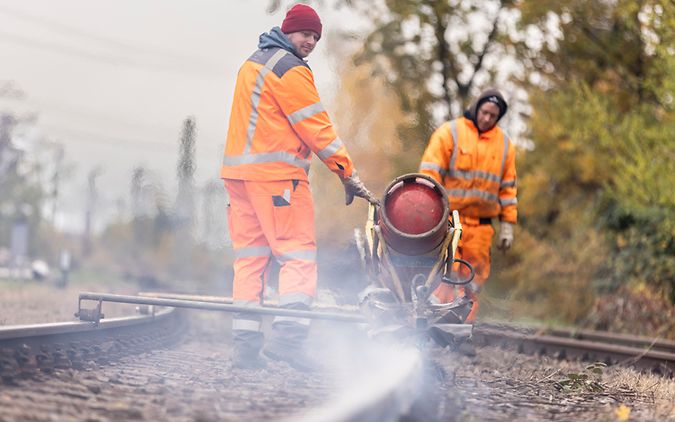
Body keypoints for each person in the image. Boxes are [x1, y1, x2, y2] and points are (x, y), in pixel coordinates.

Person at [221, 3, 377, 371]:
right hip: (277, 179)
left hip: (239, 178)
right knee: (297, 254)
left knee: (249, 261)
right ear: (288, 30)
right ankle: (289, 339)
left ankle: (244, 348)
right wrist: (346, 172)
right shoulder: (289, 69)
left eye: (315, 37)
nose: (310, 42)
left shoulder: (253, 62)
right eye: (305, 34)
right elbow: (315, 126)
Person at [419, 89, 517, 322]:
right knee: (444, 273)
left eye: (492, 116)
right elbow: (430, 174)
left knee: (473, 281)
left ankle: (461, 329)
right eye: (484, 112)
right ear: (476, 108)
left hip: (481, 227)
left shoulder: (504, 145)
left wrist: (507, 225)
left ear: (498, 117)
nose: (486, 118)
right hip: (450, 220)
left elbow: (508, 188)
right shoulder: (450, 133)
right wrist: (429, 211)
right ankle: (434, 325)